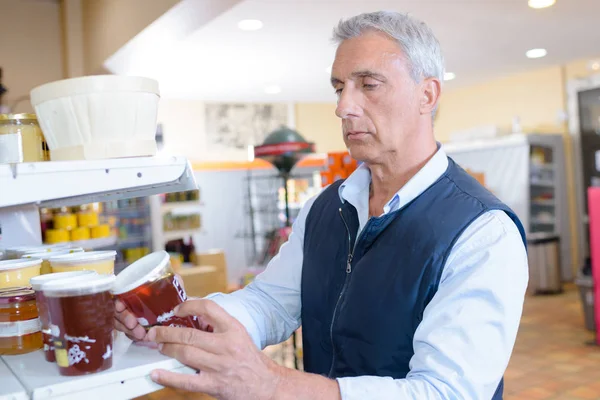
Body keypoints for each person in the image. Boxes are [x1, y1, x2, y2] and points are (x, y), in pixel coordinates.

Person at [115, 10, 528, 400]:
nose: (342, 107)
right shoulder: (324, 209)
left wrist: (275, 385)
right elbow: (271, 302)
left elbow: (445, 393)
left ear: (427, 94)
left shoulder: (483, 232)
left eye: (368, 84)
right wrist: (180, 323)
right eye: (338, 87)